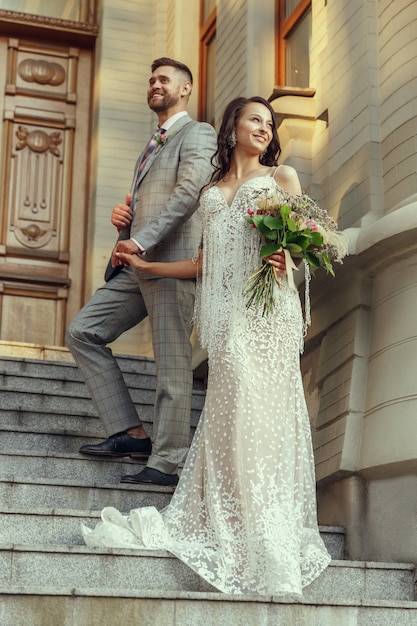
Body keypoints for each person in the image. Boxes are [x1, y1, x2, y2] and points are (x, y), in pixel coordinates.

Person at [81, 96, 332, 597]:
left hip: (266, 314)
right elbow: (204, 261)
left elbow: (315, 240)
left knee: (259, 409)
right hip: (225, 318)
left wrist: (288, 254)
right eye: (254, 119)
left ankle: (263, 525)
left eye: (269, 123)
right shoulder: (212, 191)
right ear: (233, 124)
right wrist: (149, 269)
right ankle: (233, 518)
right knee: (233, 408)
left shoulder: (282, 178)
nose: (263, 128)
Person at [66, 58, 217, 487]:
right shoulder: (151, 144)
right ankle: (130, 433)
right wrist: (124, 222)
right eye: (151, 79)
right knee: (83, 331)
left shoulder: (198, 133)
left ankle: (167, 462)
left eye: (163, 79)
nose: (154, 84)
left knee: (171, 368)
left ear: (185, 88)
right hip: (135, 263)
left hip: (170, 265)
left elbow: (189, 194)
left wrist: (141, 238)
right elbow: (151, 201)